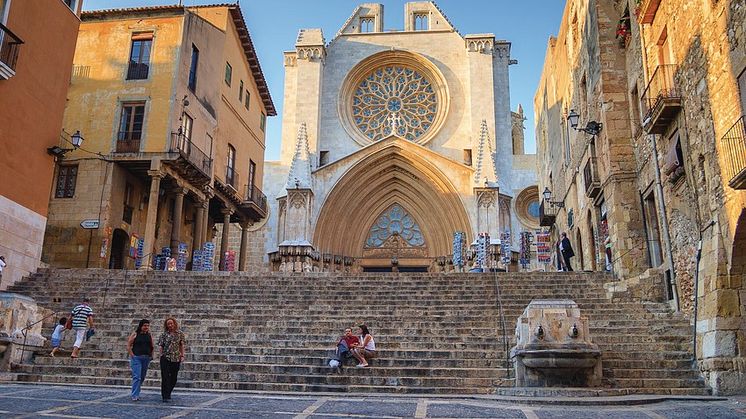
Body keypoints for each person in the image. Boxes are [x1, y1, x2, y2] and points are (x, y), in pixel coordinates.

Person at [157, 318, 186, 403]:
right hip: (165, 357)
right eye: (168, 324)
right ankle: (165, 395)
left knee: (174, 377)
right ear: (166, 325)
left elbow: (181, 345)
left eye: (171, 323)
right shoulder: (163, 335)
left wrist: (182, 355)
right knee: (165, 376)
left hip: (176, 357)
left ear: (174, 324)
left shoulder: (180, 334)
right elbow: (161, 345)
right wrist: (161, 354)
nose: (170, 325)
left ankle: (168, 391)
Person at [127, 319, 154, 401]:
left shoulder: (149, 335)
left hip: (146, 357)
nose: (146, 327)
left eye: (148, 326)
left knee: (142, 377)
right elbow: (128, 345)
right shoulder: (135, 334)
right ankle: (134, 395)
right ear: (141, 326)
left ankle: (137, 391)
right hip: (137, 357)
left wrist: (151, 355)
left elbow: (152, 346)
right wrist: (132, 355)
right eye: (145, 325)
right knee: (137, 376)